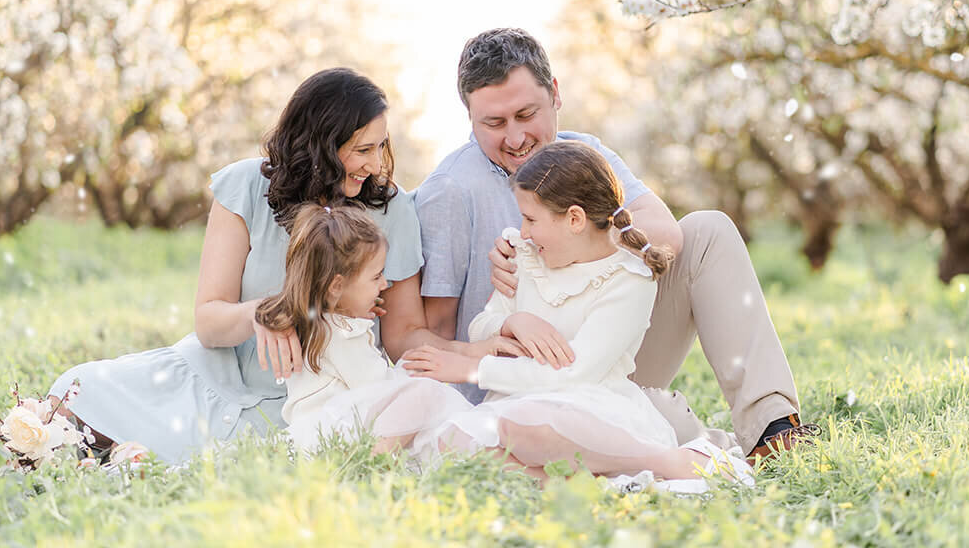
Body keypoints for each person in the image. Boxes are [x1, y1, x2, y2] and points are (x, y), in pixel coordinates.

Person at [395, 28, 816, 462]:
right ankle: (662, 437)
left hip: (604, 357)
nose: (516, 138)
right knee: (644, 439)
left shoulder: (582, 153)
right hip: (510, 389)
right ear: (469, 117)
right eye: (494, 123)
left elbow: (664, 234)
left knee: (707, 231)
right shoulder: (449, 191)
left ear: (555, 94)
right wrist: (504, 322)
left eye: (526, 114)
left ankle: (773, 429)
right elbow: (430, 334)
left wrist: (572, 244)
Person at [48, 68, 453, 464]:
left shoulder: (392, 210)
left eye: (382, 146)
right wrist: (264, 313)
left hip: (308, 399)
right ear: (319, 145)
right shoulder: (245, 187)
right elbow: (209, 322)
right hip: (216, 377)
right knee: (77, 389)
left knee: (246, 456)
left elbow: (402, 337)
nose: (378, 165)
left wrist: (479, 356)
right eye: (363, 150)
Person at [402, 142, 752, 484]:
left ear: (574, 219)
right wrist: (513, 322)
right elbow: (481, 326)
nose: (523, 230)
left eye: (530, 219)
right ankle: (573, 480)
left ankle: (668, 461)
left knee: (529, 427)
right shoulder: (526, 255)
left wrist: (473, 369)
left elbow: (574, 374)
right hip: (513, 401)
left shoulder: (628, 280)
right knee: (452, 442)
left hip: (586, 406)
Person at [257, 203, 473, 454]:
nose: (384, 284)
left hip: (321, 430)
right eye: (376, 276)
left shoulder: (319, 324)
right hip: (332, 436)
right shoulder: (342, 334)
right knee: (425, 395)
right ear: (337, 286)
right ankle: (369, 459)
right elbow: (378, 388)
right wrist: (413, 370)